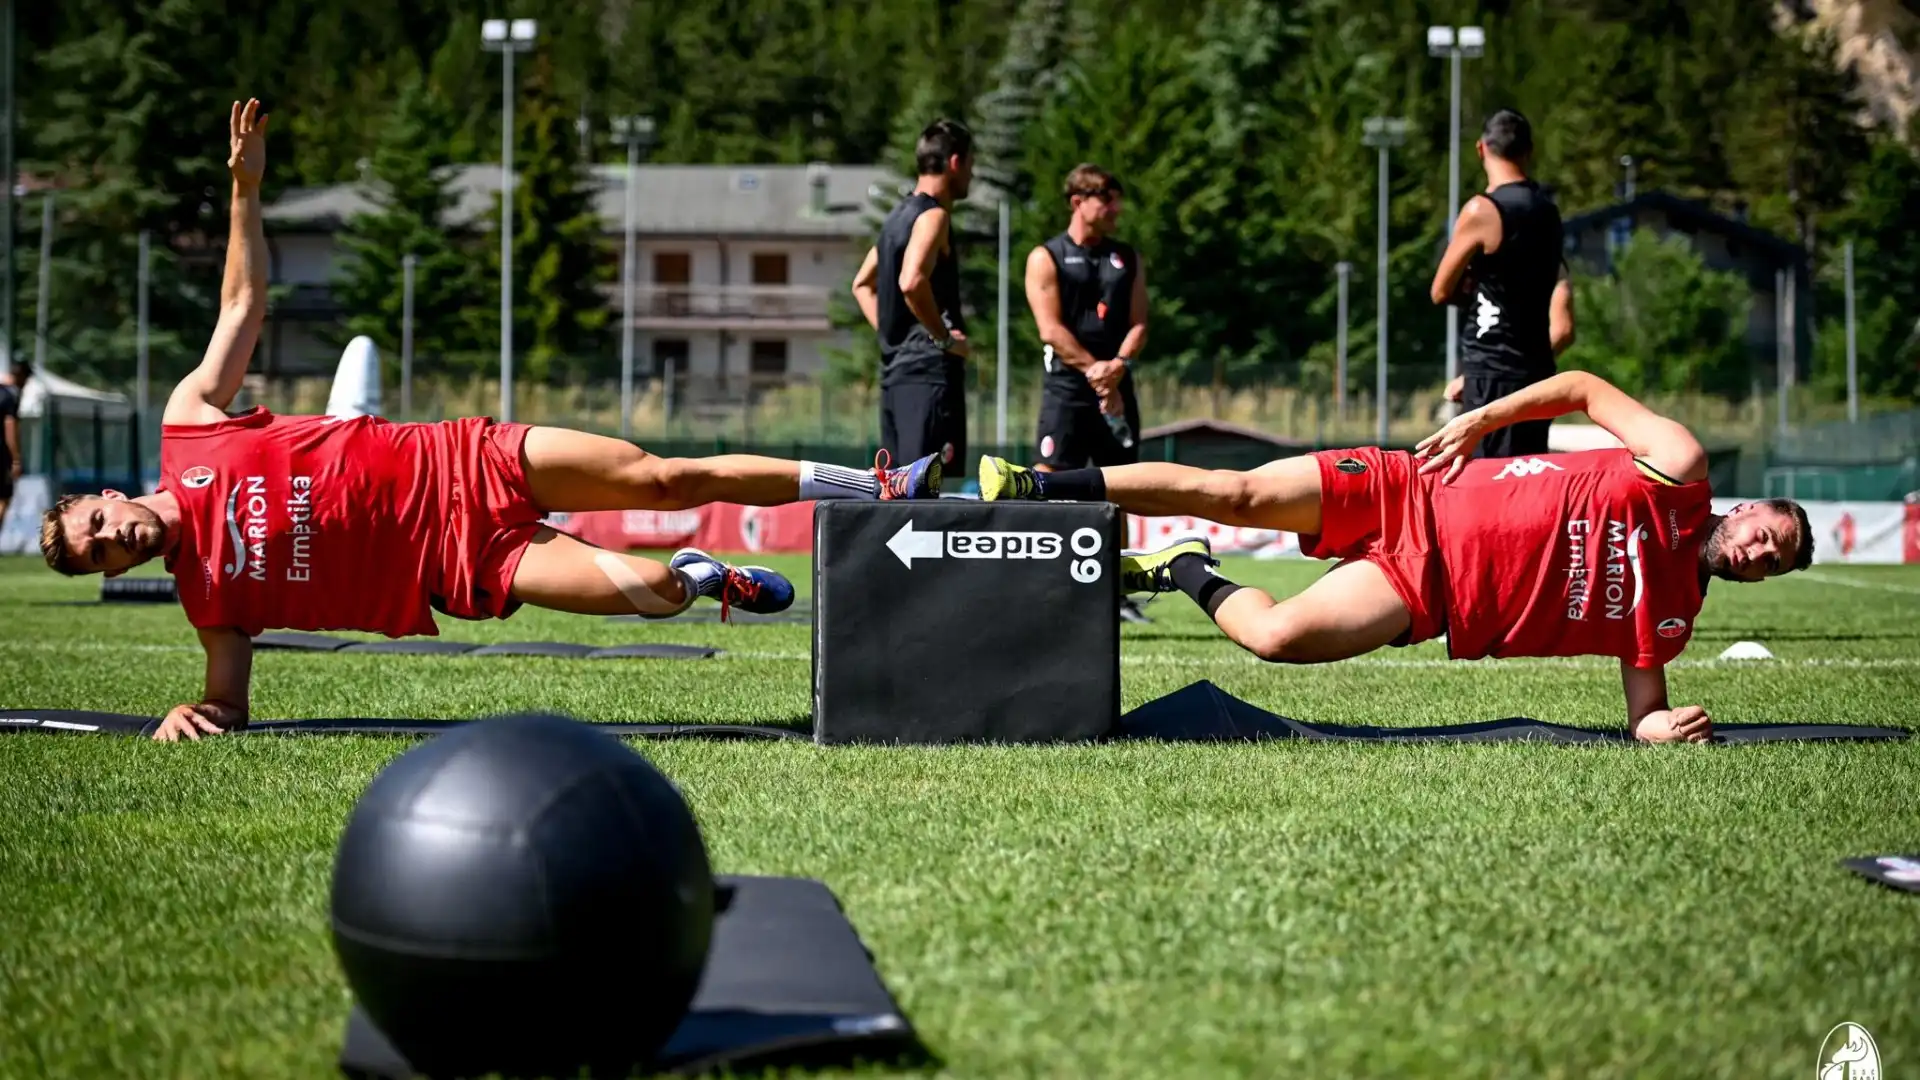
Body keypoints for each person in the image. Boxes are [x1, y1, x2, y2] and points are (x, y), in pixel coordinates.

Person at [36, 98, 942, 743]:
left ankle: (877, 483)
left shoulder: (190, 425)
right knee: (658, 592)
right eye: (106, 553)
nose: (118, 540)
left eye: (100, 525)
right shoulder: (210, 605)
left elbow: (241, 307)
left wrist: (244, 191)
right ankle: (707, 577)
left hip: (465, 462)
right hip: (467, 564)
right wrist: (198, 716)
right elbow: (229, 703)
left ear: (106, 496)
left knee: (664, 477)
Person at [977, 370, 1815, 744]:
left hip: (1427, 589)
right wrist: (1481, 422)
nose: (1756, 556)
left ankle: (1181, 568)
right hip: (1415, 488)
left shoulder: (1670, 622)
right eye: (1764, 537)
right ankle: (1039, 485)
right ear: (1744, 513)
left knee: (1274, 641)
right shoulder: (1681, 468)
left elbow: (1642, 713)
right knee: (1230, 492)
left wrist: (1658, 728)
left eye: (1770, 564)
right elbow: (1586, 390)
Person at [1024, 163, 1151, 622]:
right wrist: (1096, 371)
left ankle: (1116, 594)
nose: (1116, 209)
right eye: (1106, 199)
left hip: (1117, 385)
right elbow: (1049, 328)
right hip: (1067, 387)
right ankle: (1042, 587)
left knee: (1120, 486)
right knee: (1048, 477)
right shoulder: (1046, 255)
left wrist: (1117, 368)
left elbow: (1139, 322)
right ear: (1078, 202)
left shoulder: (1127, 257)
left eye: (1117, 199)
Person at [1430, 108, 1574, 459]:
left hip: (1491, 371)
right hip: (1537, 373)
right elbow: (1562, 310)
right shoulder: (1548, 213)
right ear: (1529, 151)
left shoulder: (1483, 210)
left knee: (1489, 486)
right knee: (1525, 479)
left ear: (1481, 149)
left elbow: (1440, 290)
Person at [851, 119, 973, 473]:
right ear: (954, 163)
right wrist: (942, 338)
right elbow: (911, 281)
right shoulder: (933, 216)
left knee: (900, 490)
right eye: (970, 165)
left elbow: (861, 284)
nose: (970, 175)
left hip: (896, 375)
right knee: (926, 495)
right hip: (928, 376)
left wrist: (894, 336)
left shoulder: (895, 219)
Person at [0, 358, 28, 532]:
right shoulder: (11, 395)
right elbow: (10, 426)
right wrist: (16, 459)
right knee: (3, 498)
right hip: (1, 453)